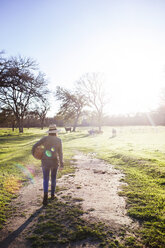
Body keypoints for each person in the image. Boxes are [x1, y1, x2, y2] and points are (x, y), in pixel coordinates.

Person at [32, 124, 63, 206]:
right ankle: (52, 195)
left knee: (45, 179)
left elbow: (35, 146)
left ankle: (45, 196)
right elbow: (60, 153)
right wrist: (62, 164)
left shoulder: (44, 139)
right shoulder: (59, 140)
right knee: (53, 178)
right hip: (54, 162)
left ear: (49, 132)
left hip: (45, 162)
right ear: (56, 132)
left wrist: (34, 154)